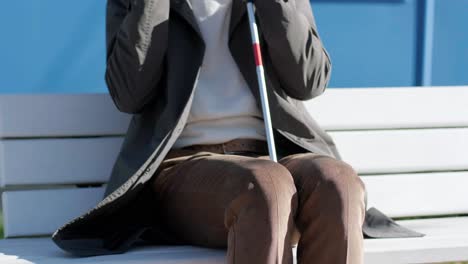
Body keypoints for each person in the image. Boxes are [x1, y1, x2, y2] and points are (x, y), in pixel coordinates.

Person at [52, 0, 367, 263]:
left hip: (275, 154)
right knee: (266, 186)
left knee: (338, 183)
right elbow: (127, 94)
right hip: (185, 167)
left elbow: (309, 80)